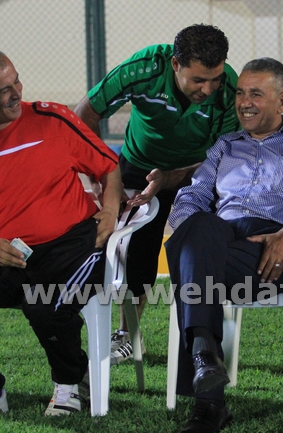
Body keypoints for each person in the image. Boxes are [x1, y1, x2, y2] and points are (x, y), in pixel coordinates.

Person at [0, 47, 122, 422]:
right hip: (11, 255)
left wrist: (111, 210)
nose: (16, 93)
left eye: (16, 81)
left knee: (44, 302)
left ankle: (70, 382)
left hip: (76, 245)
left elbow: (109, 166)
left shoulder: (53, 119)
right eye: (3, 90)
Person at [165, 58, 283, 433]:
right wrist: (198, 238)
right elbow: (190, 198)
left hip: (277, 248)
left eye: (256, 94)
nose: (244, 102)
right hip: (221, 239)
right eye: (240, 93)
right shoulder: (224, 146)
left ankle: (207, 389)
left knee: (191, 260)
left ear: (282, 101)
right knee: (198, 228)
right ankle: (204, 356)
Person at [74, 24, 239, 365]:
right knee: (134, 249)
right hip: (139, 163)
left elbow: (225, 156)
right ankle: (128, 335)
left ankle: (207, 335)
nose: (208, 89)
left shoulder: (229, 90)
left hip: (201, 170)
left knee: (207, 245)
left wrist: (171, 178)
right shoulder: (144, 69)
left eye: (214, 79)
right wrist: (103, 173)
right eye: (198, 80)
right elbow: (85, 114)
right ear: (175, 64)